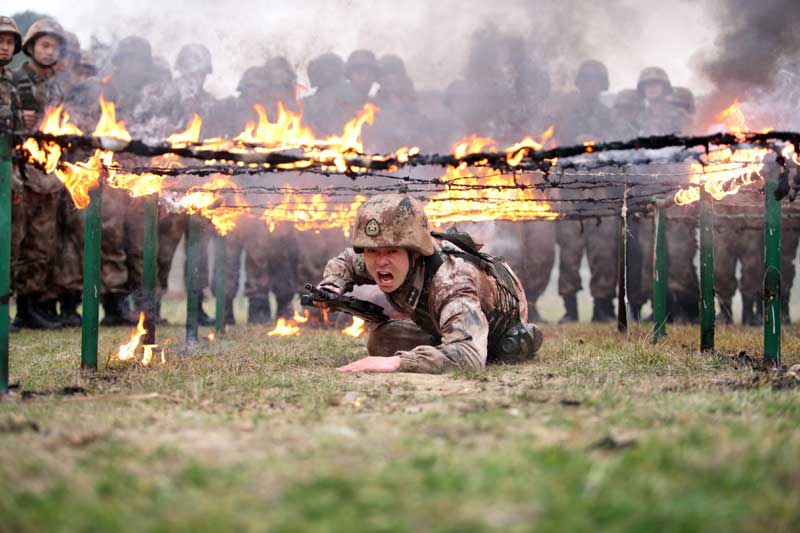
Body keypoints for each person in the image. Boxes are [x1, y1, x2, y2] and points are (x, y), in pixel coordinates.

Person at [315, 194, 543, 374]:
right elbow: (347, 261)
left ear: (415, 253)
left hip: (496, 331)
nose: (380, 261)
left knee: (398, 353)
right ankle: (443, 346)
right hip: (440, 322)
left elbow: (470, 357)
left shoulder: (451, 282)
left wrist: (397, 363)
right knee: (381, 341)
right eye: (372, 251)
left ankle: (455, 347)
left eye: (391, 251)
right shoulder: (383, 260)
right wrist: (332, 286)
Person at [12, 17, 66, 330]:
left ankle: (30, 306)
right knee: (16, 243)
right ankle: (14, 306)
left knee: (42, 245)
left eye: (54, 46)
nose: (49, 51)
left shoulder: (57, 85)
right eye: (44, 45)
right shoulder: (17, 81)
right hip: (22, 172)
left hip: (49, 173)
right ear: (31, 47)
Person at [0, 15, 23, 332]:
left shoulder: (11, 83)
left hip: (8, 173)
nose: (4, 47)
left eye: (9, 42)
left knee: (8, 246)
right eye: (0, 41)